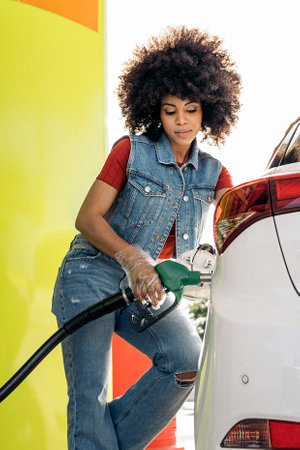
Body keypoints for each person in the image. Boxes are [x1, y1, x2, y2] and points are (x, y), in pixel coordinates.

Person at [52, 25, 241, 449]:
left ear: (207, 112)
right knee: (90, 395)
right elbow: (88, 218)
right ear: (155, 110)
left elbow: (241, 223)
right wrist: (134, 259)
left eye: (191, 110)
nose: (181, 121)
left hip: (146, 287)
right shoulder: (130, 151)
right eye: (171, 110)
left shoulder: (215, 174)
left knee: (186, 361)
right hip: (91, 275)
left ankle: (99, 440)